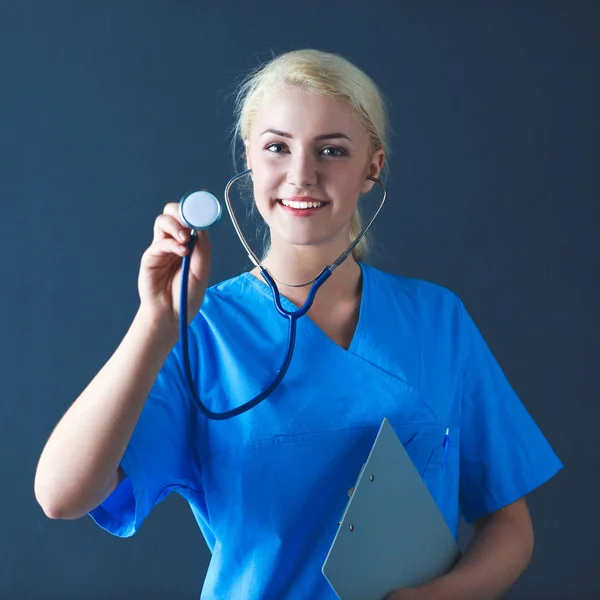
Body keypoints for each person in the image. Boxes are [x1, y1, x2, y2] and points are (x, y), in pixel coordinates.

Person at [34, 48, 563, 600]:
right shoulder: (202, 332)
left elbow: (509, 523)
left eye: (331, 150)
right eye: (277, 148)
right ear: (250, 159)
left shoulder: (438, 321)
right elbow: (61, 495)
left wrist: (442, 596)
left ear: (372, 168)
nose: (301, 175)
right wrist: (155, 324)